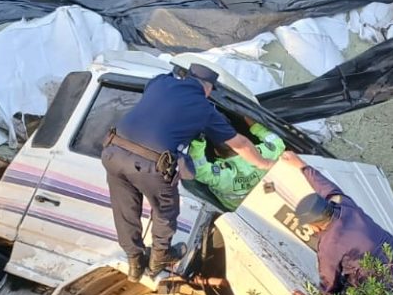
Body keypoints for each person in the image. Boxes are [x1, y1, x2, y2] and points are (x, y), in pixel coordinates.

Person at [101, 63, 272, 279]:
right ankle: (159, 256)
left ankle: (134, 263)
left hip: (113, 152)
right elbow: (239, 144)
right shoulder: (203, 108)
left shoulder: (161, 82)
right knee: (165, 211)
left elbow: (158, 104)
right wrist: (265, 164)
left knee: (124, 209)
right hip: (149, 165)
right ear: (208, 88)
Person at [282, 150, 393, 295]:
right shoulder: (344, 204)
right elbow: (326, 186)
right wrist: (302, 165)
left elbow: (329, 286)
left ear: (314, 225)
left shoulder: (329, 246)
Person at [187, 121, 286, 210]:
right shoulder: (266, 153)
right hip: (272, 201)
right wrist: (252, 121)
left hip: (244, 211)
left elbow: (198, 167)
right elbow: (277, 142)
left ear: (216, 152)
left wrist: (198, 141)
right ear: (244, 139)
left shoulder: (219, 176)